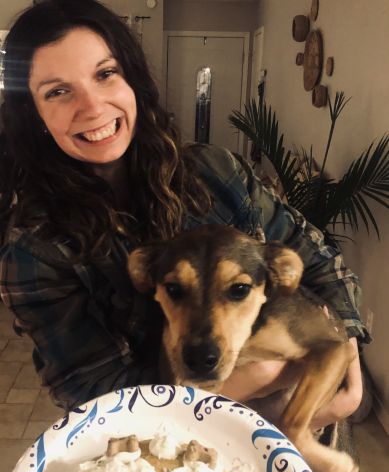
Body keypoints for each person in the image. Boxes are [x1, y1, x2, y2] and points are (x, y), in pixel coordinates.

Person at [0, 0, 368, 433]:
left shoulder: (216, 172)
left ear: (132, 80)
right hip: (177, 441)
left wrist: (347, 361)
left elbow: (323, 263)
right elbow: (95, 394)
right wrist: (260, 378)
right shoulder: (35, 251)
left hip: (306, 427)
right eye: (58, 91)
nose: (93, 106)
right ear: (34, 114)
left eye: (104, 74)